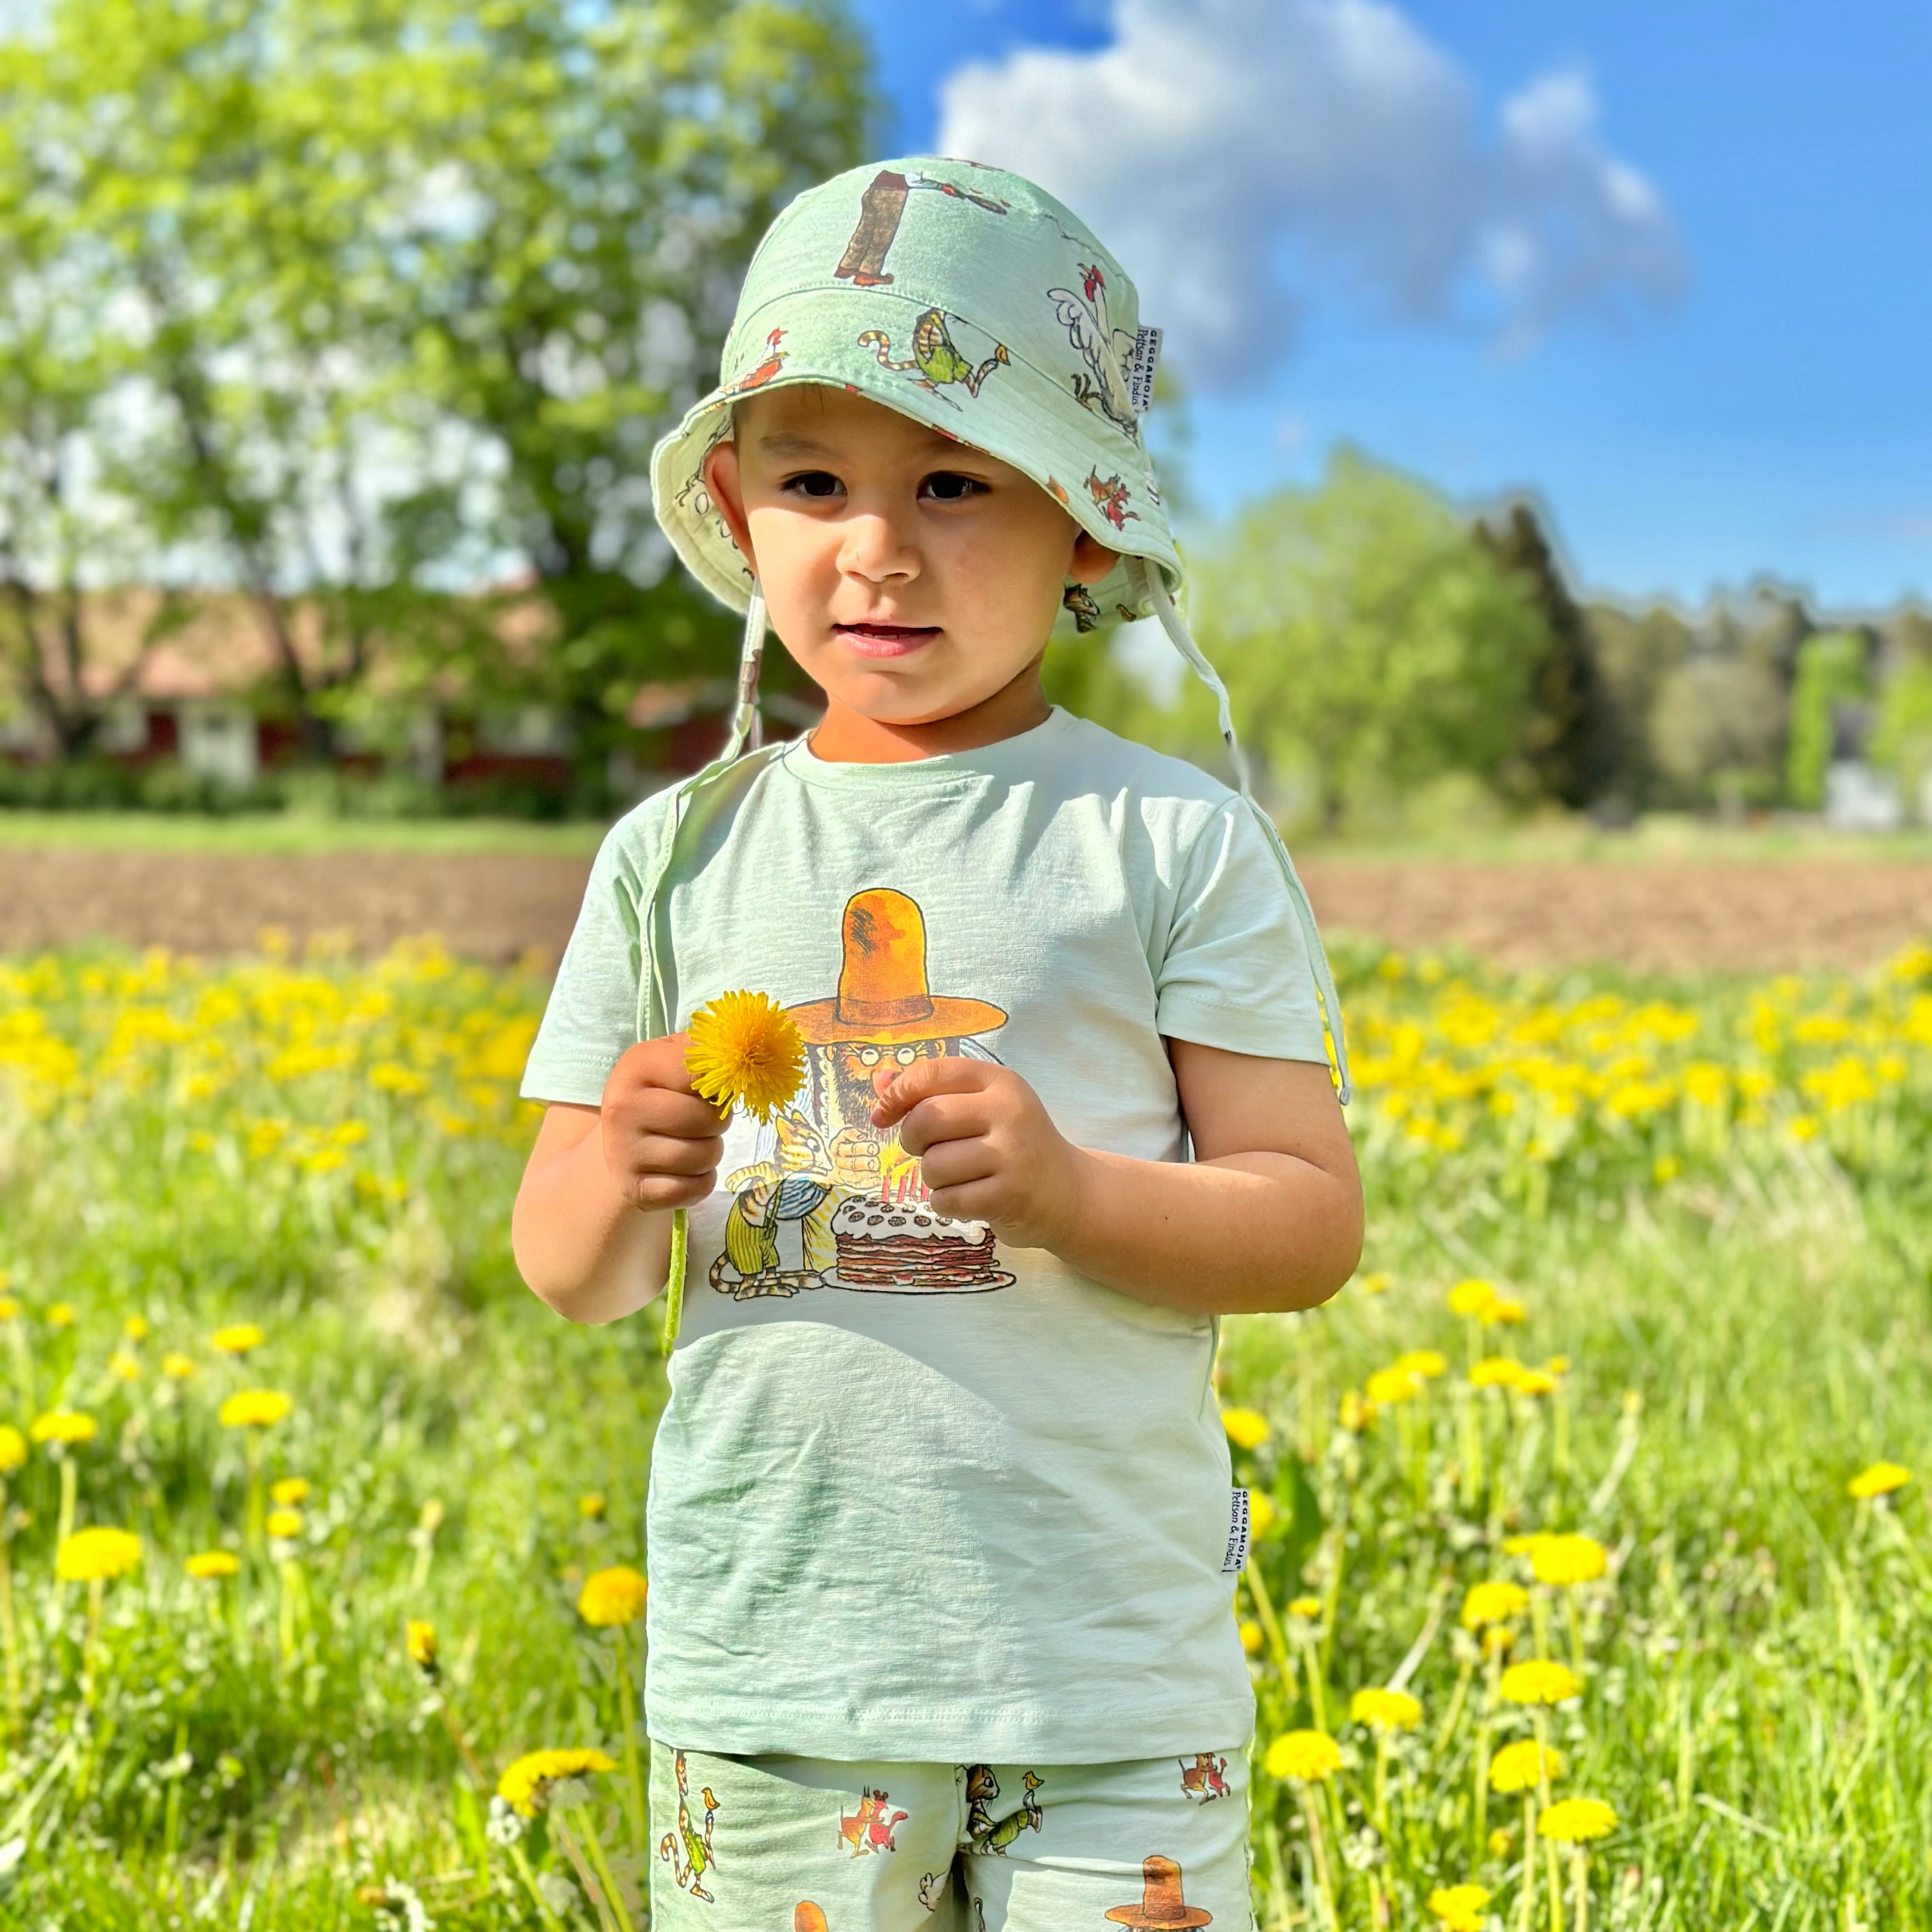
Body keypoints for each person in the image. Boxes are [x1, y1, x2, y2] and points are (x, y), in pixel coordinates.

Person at [510, 155, 1363, 1932]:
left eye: (956, 481)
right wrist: (616, 1169)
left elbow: (1305, 1221)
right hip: (780, 1673)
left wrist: (1067, 1191)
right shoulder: (676, 854)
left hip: (1107, 1683)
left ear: (1090, 528)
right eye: (816, 481)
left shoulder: (1171, 839)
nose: (879, 547)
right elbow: (569, 1272)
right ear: (741, 513)